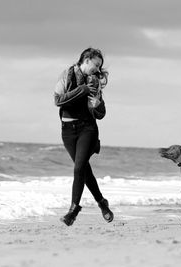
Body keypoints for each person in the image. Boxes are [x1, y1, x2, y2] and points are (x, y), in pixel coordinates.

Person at [54, 47, 113, 226]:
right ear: (86, 59)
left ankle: (73, 210)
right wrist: (82, 90)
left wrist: (98, 104)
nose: (97, 69)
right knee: (84, 170)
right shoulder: (67, 74)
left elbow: (100, 114)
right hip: (68, 130)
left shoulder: (94, 81)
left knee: (79, 168)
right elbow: (58, 100)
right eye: (95, 65)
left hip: (87, 128)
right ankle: (102, 202)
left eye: (99, 66)